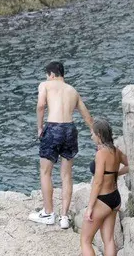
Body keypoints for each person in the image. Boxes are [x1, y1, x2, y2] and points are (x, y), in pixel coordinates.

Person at [31, 61, 98, 231]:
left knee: (46, 172)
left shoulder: (45, 85)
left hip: (53, 128)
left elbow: (40, 106)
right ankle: (64, 217)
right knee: (66, 175)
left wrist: (39, 127)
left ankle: (48, 213)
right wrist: (98, 137)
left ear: (51, 74)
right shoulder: (72, 90)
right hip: (70, 130)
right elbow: (87, 117)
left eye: (47, 75)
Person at [74, 118, 129, 256]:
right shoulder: (116, 151)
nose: (90, 137)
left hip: (102, 199)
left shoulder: (101, 154)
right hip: (115, 199)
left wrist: (89, 207)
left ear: (98, 135)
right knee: (109, 240)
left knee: (85, 240)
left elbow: (97, 183)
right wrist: (115, 175)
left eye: (92, 133)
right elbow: (131, 164)